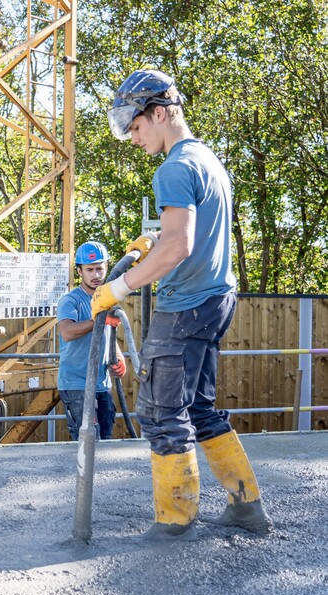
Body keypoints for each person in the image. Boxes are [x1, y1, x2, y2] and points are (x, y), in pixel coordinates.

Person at [94, 69, 272, 541]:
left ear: (158, 112)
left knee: (160, 413)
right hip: (216, 298)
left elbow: (180, 247)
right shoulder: (207, 160)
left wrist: (119, 287)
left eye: (135, 127)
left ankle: (175, 522)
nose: (134, 138)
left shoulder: (172, 167)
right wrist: (155, 241)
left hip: (185, 307)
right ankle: (245, 507)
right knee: (198, 409)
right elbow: (186, 238)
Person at [57, 241, 126, 441]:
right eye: (90, 270)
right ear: (79, 271)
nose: (96, 275)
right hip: (76, 384)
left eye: (100, 269)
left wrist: (119, 357)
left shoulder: (107, 300)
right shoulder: (71, 301)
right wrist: (99, 320)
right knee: (87, 440)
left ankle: (100, 474)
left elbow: (107, 334)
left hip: (102, 384)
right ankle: (82, 474)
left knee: (105, 439)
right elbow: (67, 332)